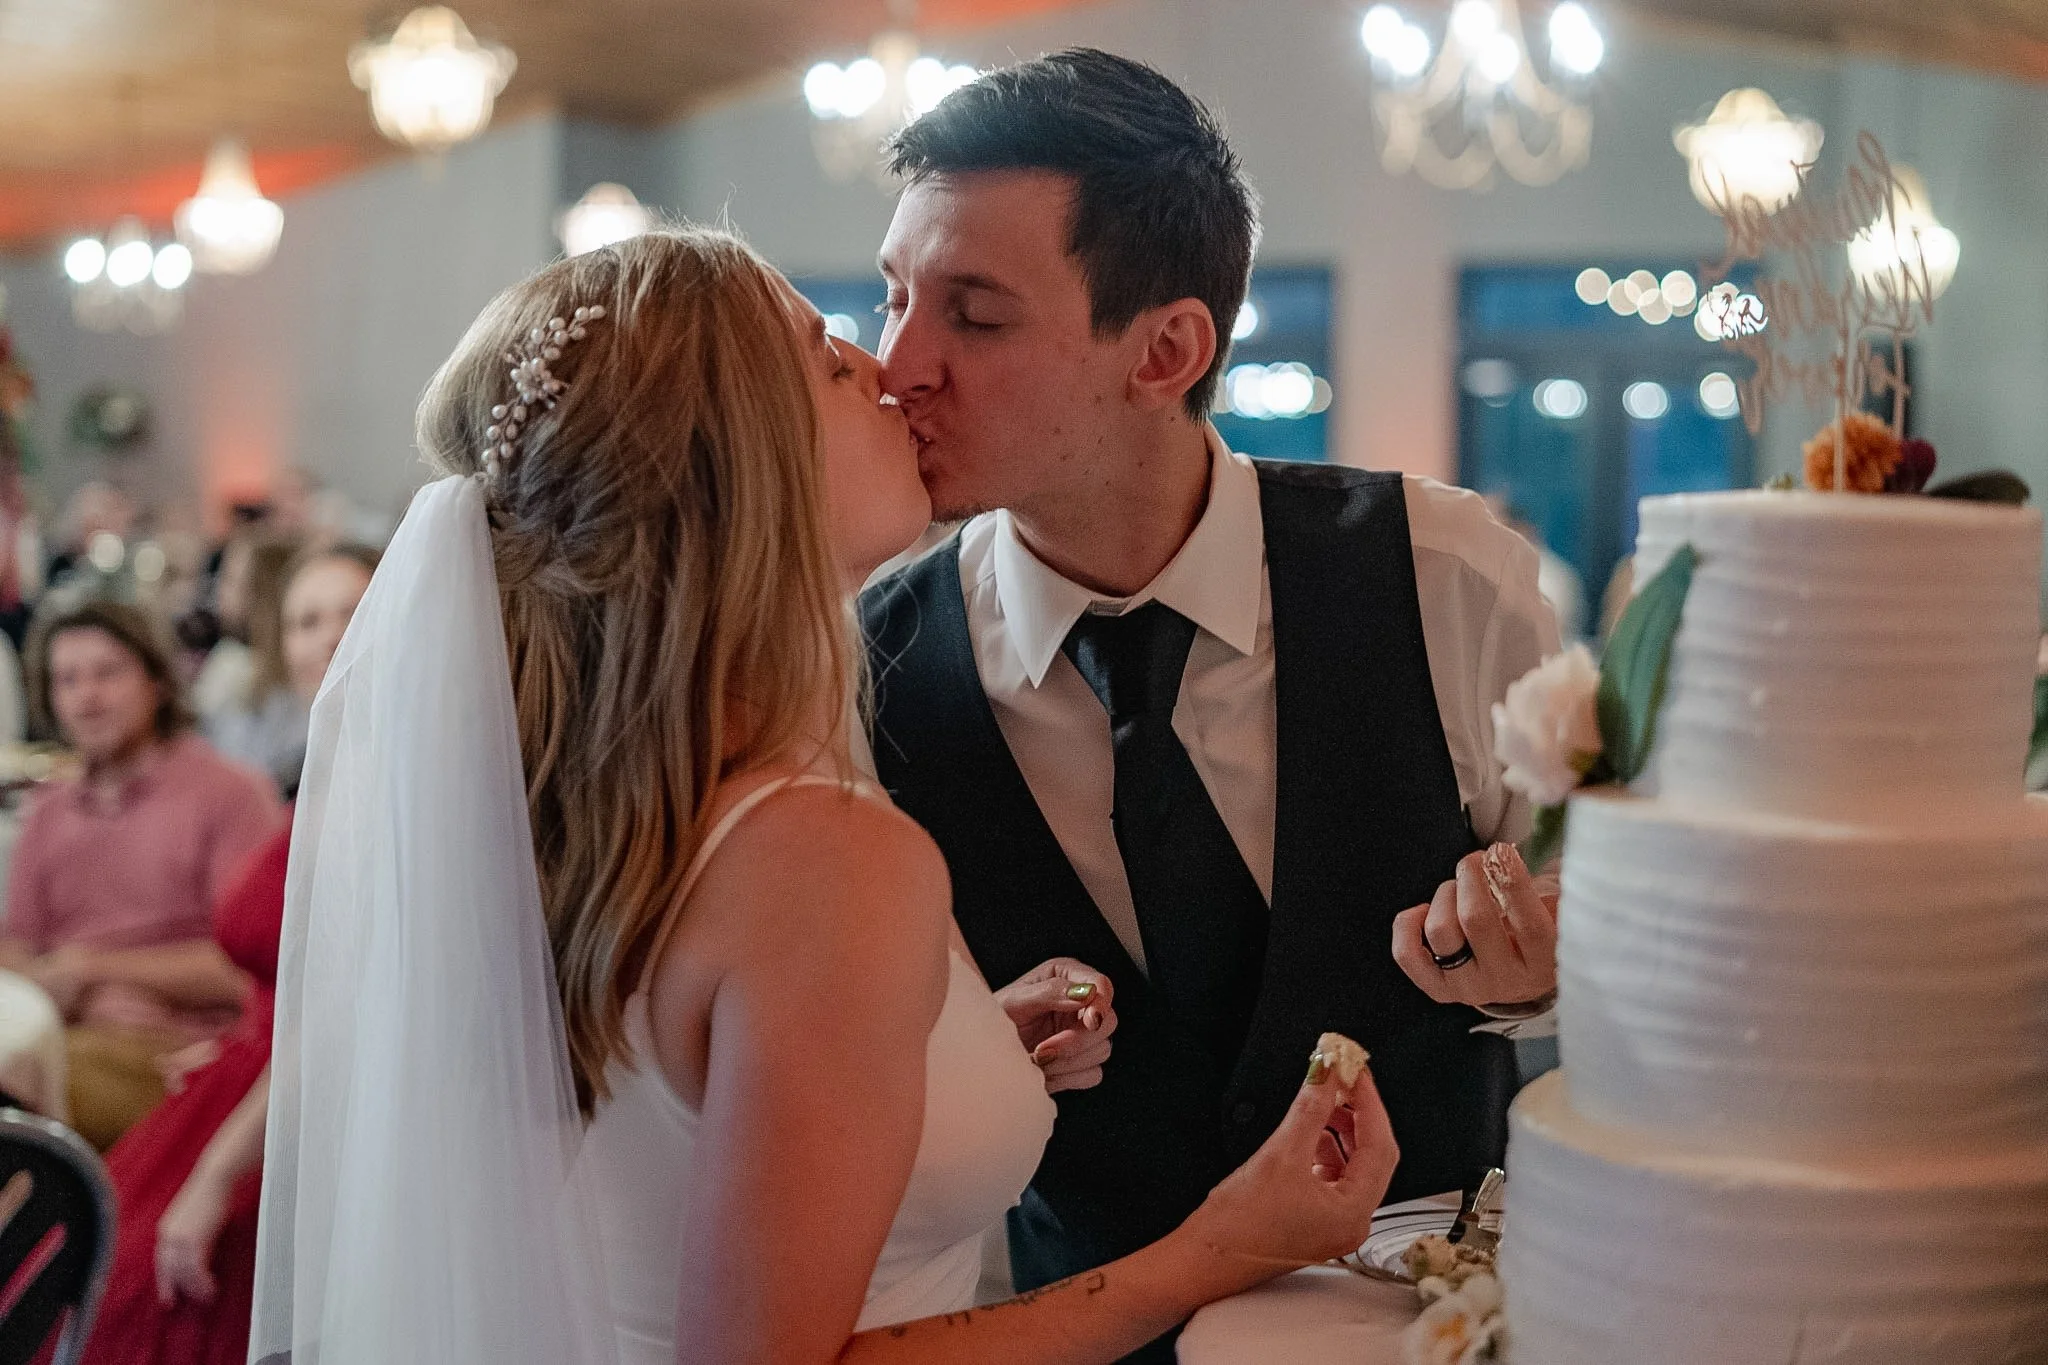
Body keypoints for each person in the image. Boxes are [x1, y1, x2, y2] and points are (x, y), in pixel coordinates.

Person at [252, 227, 1398, 1365]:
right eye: (826, 357)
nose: (887, 371)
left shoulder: (588, 804)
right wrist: (1221, 1249)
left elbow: (663, 1137)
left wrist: (947, 1054)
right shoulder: (818, 854)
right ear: (737, 464)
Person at [859, 50, 1561, 1360]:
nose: (900, 365)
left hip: (1440, 1326)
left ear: (1167, 348)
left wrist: (1546, 966)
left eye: (977, 314)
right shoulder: (867, 672)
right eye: (894, 298)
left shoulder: (1443, 575)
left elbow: (1630, 948)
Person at [74, 543, 377, 1365]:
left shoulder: (384, 789)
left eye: (349, 611)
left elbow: (342, 1013)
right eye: (305, 620)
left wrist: (214, 1177)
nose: (326, 637)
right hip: (254, 1069)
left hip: (312, 1101)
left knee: (134, 1284)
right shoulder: (322, 772)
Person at [4, 602, 280, 1148]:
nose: (87, 697)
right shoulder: (49, 810)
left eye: (107, 673)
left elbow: (251, 968)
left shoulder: (229, 795)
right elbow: (19, 949)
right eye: (67, 680)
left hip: (181, 1054)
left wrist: (88, 971)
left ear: (155, 680)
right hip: (63, 1040)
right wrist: (56, 986)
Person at [201, 532, 310, 795]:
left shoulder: (297, 692)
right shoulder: (236, 668)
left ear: (265, 592)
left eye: (232, 582)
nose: (219, 594)